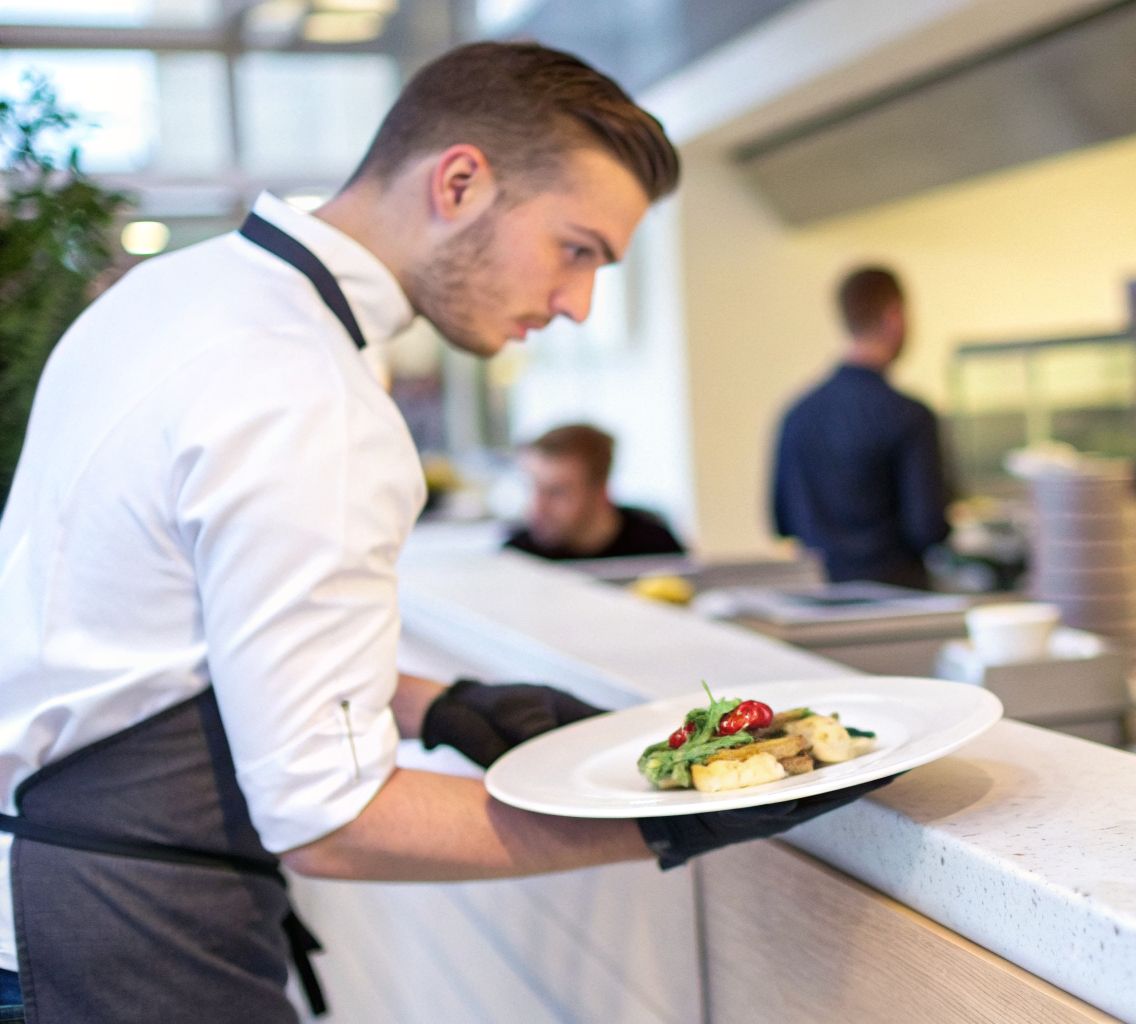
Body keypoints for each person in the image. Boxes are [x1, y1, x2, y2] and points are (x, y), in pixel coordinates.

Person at [0, 43, 885, 1023]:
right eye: (576, 248)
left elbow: (154, 632)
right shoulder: (303, 386)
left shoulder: (179, 296)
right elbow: (333, 824)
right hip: (113, 930)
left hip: (52, 898)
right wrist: (664, 813)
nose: (576, 303)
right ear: (459, 181)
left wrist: (437, 703)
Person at [771, 266, 951, 589]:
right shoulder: (910, 416)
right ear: (894, 316)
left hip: (822, 601)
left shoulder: (797, 415)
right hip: (900, 604)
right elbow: (927, 528)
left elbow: (782, 521)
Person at [505, 423, 685, 560]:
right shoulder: (516, 558)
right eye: (531, 488)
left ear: (600, 491)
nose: (537, 507)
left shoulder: (655, 550)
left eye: (557, 492)